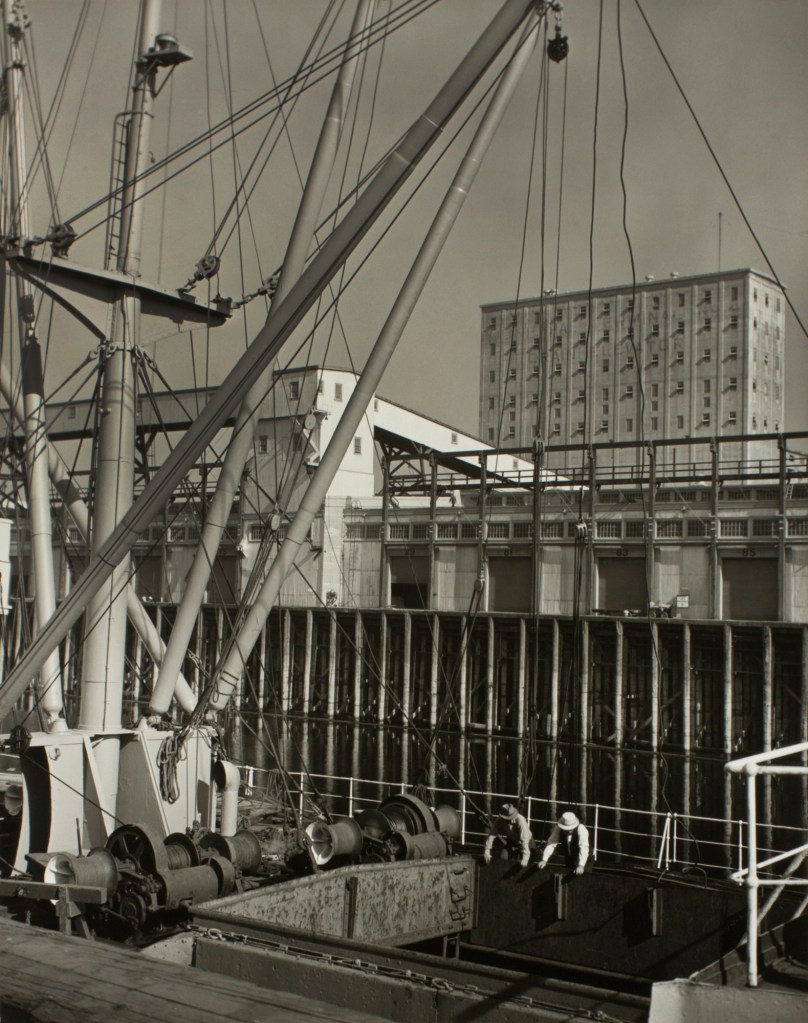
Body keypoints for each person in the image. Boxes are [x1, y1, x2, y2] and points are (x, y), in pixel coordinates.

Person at [538, 810, 590, 875]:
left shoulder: (581, 829)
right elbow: (551, 843)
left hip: (585, 860)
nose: (567, 831)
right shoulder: (559, 829)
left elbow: (584, 847)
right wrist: (544, 860)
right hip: (569, 858)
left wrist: (581, 865)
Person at [483, 803, 533, 867]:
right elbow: (492, 834)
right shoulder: (499, 820)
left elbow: (524, 839)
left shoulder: (521, 820)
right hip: (512, 841)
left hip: (528, 842)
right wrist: (487, 850)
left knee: (531, 862)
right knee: (503, 857)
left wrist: (525, 858)